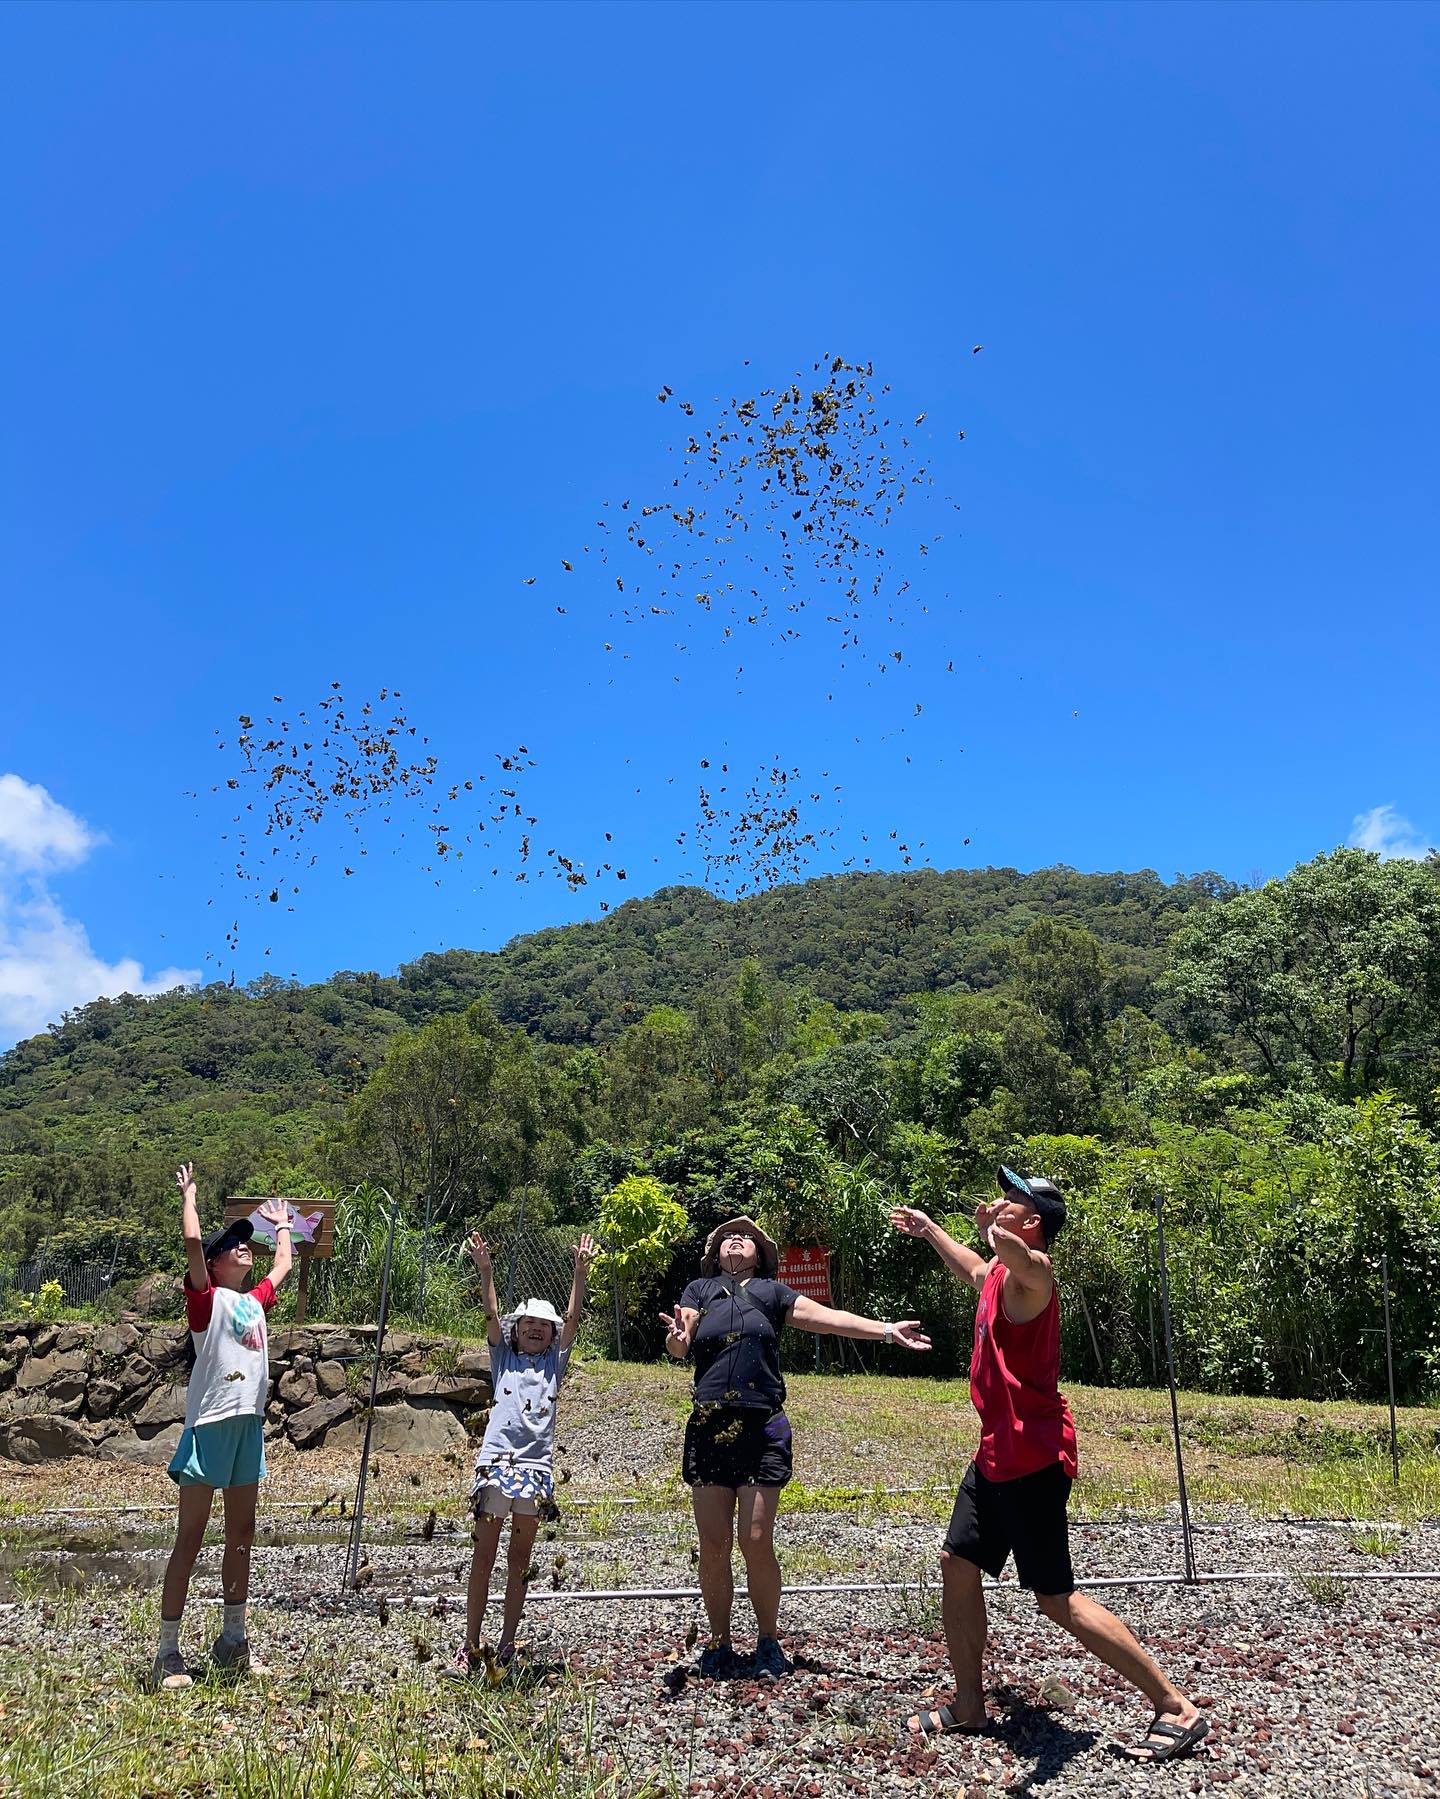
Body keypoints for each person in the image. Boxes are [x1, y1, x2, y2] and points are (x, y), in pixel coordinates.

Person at [890, 1168, 1209, 1764]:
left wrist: (997, 1235)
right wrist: (931, 1230)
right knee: (957, 1562)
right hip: (995, 1454)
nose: (996, 1203)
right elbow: (975, 1268)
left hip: (1033, 1459)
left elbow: (1022, 1261)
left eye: (1009, 1202)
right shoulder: (999, 1274)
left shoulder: (1034, 1277)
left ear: (1031, 1221)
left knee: (1056, 1599)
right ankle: (969, 1705)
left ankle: (1175, 1707)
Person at [661, 1215, 931, 1680]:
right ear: (715, 1254)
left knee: (755, 1539)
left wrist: (887, 1330)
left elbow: (829, 1319)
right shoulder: (698, 1291)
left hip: (762, 1426)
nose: (735, 1240)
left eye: (744, 1237)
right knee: (713, 1543)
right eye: (727, 1237)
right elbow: (680, 1341)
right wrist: (677, 1339)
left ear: (760, 1254)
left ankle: (768, 1639)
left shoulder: (773, 1293)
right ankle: (719, 1641)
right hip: (709, 1425)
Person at [150, 1163, 294, 1691]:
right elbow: (192, 1241)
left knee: (241, 1535)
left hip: (247, 1427)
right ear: (212, 1264)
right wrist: (188, 1195)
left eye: (244, 1243)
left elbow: (284, 1263)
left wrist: (282, 1224)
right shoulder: (205, 1300)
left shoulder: (254, 1302)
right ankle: (167, 1652)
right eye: (232, 1245)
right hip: (209, 1426)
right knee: (190, 1536)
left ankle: (234, 1641)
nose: (242, 1248)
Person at [449, 1230, 596, 1678]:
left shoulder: (554, 1364)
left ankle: (508, 1643)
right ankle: (470, 1645)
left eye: (543, 1325)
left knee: (519, 1561)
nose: (536, 1328)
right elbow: (490, 1313)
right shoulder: (504, 1360)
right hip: (496, 1465)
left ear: (551, 1335)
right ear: (517, 1330)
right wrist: (486, 1270)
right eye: (529, 1322)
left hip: (535, 1470)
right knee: (483, 1556)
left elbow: (573, 1318)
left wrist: (579, 1274)